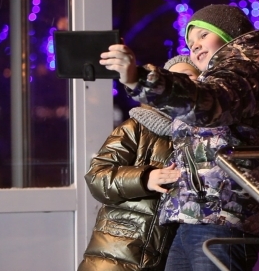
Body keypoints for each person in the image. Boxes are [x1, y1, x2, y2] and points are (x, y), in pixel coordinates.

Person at [100, 4, 259, 271]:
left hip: (222, 217)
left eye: (203, 35)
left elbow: (209, 103)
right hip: (199, 216)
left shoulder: (245, 69)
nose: (195, 47)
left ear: (229, 34)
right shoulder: (237, 71)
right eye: (191, 43)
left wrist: (141, 78)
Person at [77, 55, 201, 271]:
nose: (182, 84)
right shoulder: (137, 127)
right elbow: (97, 176)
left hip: (164, 258)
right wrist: (144, 178)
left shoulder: (203, 137)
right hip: (117, 253)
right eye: (175, 78)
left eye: (189, 77)